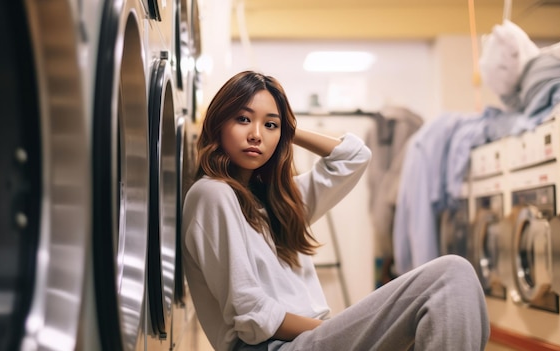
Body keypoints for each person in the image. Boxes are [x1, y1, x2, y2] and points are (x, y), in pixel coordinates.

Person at [181, 70, 490, 351]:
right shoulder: (212, 193)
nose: (257, 135)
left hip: (304, 341)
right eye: (243, 119)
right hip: (271, 347)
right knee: (449, 276)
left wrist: (290, 130)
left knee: (458, 291)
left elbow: (353, 157)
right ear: (219, 122)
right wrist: (339, 330)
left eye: (270, 124)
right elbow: (254, 315)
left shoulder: (279, 202)